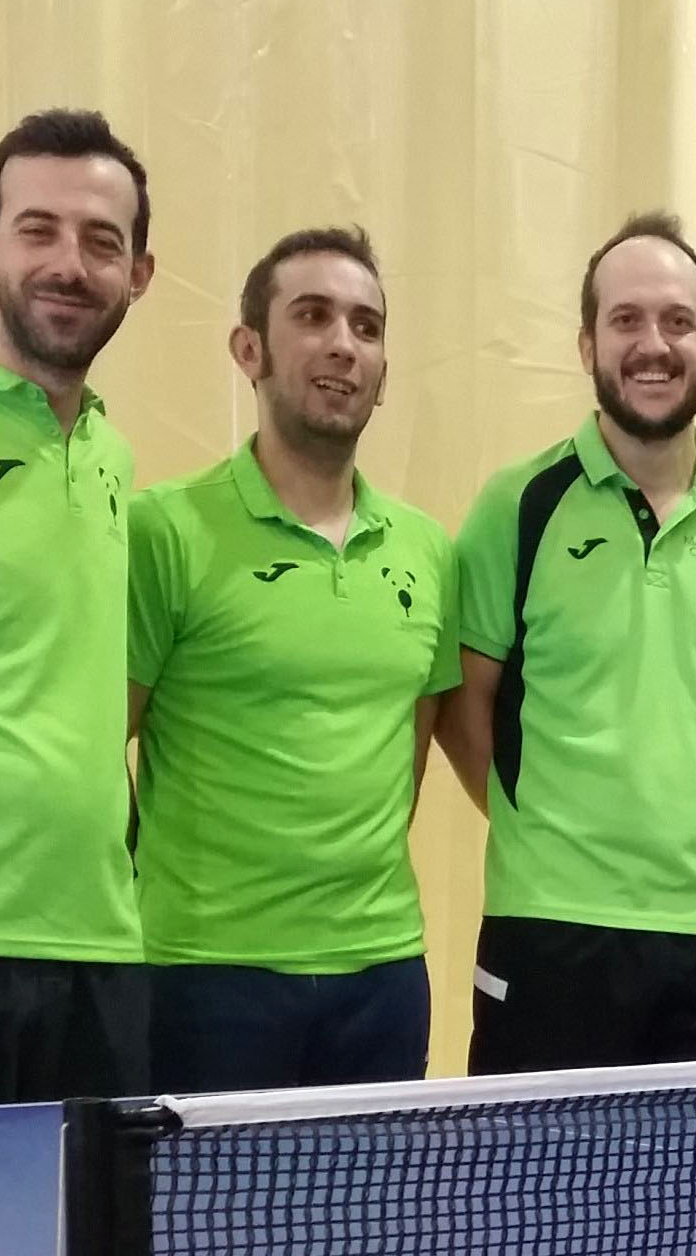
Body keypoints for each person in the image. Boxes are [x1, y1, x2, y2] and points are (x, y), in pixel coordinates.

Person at [440, 210, 696, 1071]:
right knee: (533, 1200)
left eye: (678, 321)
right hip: (551, 930)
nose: (654, 344)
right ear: (586, 345)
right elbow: (467, 714)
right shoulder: (517, 506)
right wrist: (548, 829)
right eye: (626, 320)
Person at [127, 227, 459, 1092]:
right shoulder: (165, 530)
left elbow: (408, 755)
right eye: (311, 316)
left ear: (383, 373)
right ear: (250, 350)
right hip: (205, 975)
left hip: (384, 976)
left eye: (366, 326)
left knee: (369, 1231)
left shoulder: (428, 552)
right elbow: (102, 747)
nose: (343, 344)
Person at [0, 109, 155, 1103]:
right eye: (38, 229)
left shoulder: (114, 455)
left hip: (101, 945)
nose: (68, 264)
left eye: (100, 241)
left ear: (139, 274)